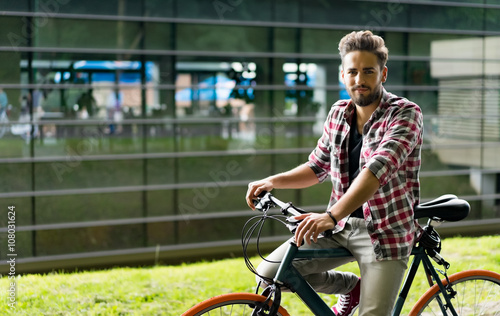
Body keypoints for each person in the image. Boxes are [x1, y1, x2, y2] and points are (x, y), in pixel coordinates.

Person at [245, 30, 423, 316]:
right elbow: (317, 166)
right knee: (269, 274)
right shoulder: (339, 113)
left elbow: (375, 172)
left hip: (385, 233)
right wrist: (273, 181)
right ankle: (351, 288)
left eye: (368, 72)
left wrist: (330, 216)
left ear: (383, 74)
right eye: (352, 72)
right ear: (343, 75)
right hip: (340, 228)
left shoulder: (405, 113)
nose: (360, 80)